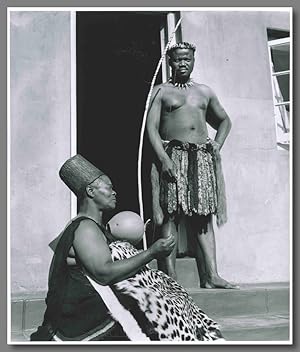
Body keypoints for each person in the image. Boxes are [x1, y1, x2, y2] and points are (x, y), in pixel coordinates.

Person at [30, 154, 224, 341]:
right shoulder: (84, 228)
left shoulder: (94, 228)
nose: (114, 192)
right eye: (109, 188)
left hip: (94, 306)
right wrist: (151, 253)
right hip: (84, 316)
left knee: (173, 302)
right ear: (90, 191)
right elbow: (103, 273)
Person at [146, 42, 238, 289]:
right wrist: (164, 159)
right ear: (170, 62)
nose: (183, 63)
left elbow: (224, 121)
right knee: (170, 215)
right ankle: (171, 278)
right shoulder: (161, 91)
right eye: (178, 60)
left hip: (201, 157)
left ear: (193, 60)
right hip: (173, 155)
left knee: (203, 217)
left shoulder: (204, 92)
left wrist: (217, 144)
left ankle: (211, 276)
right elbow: (151, 129)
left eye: (187, 59)